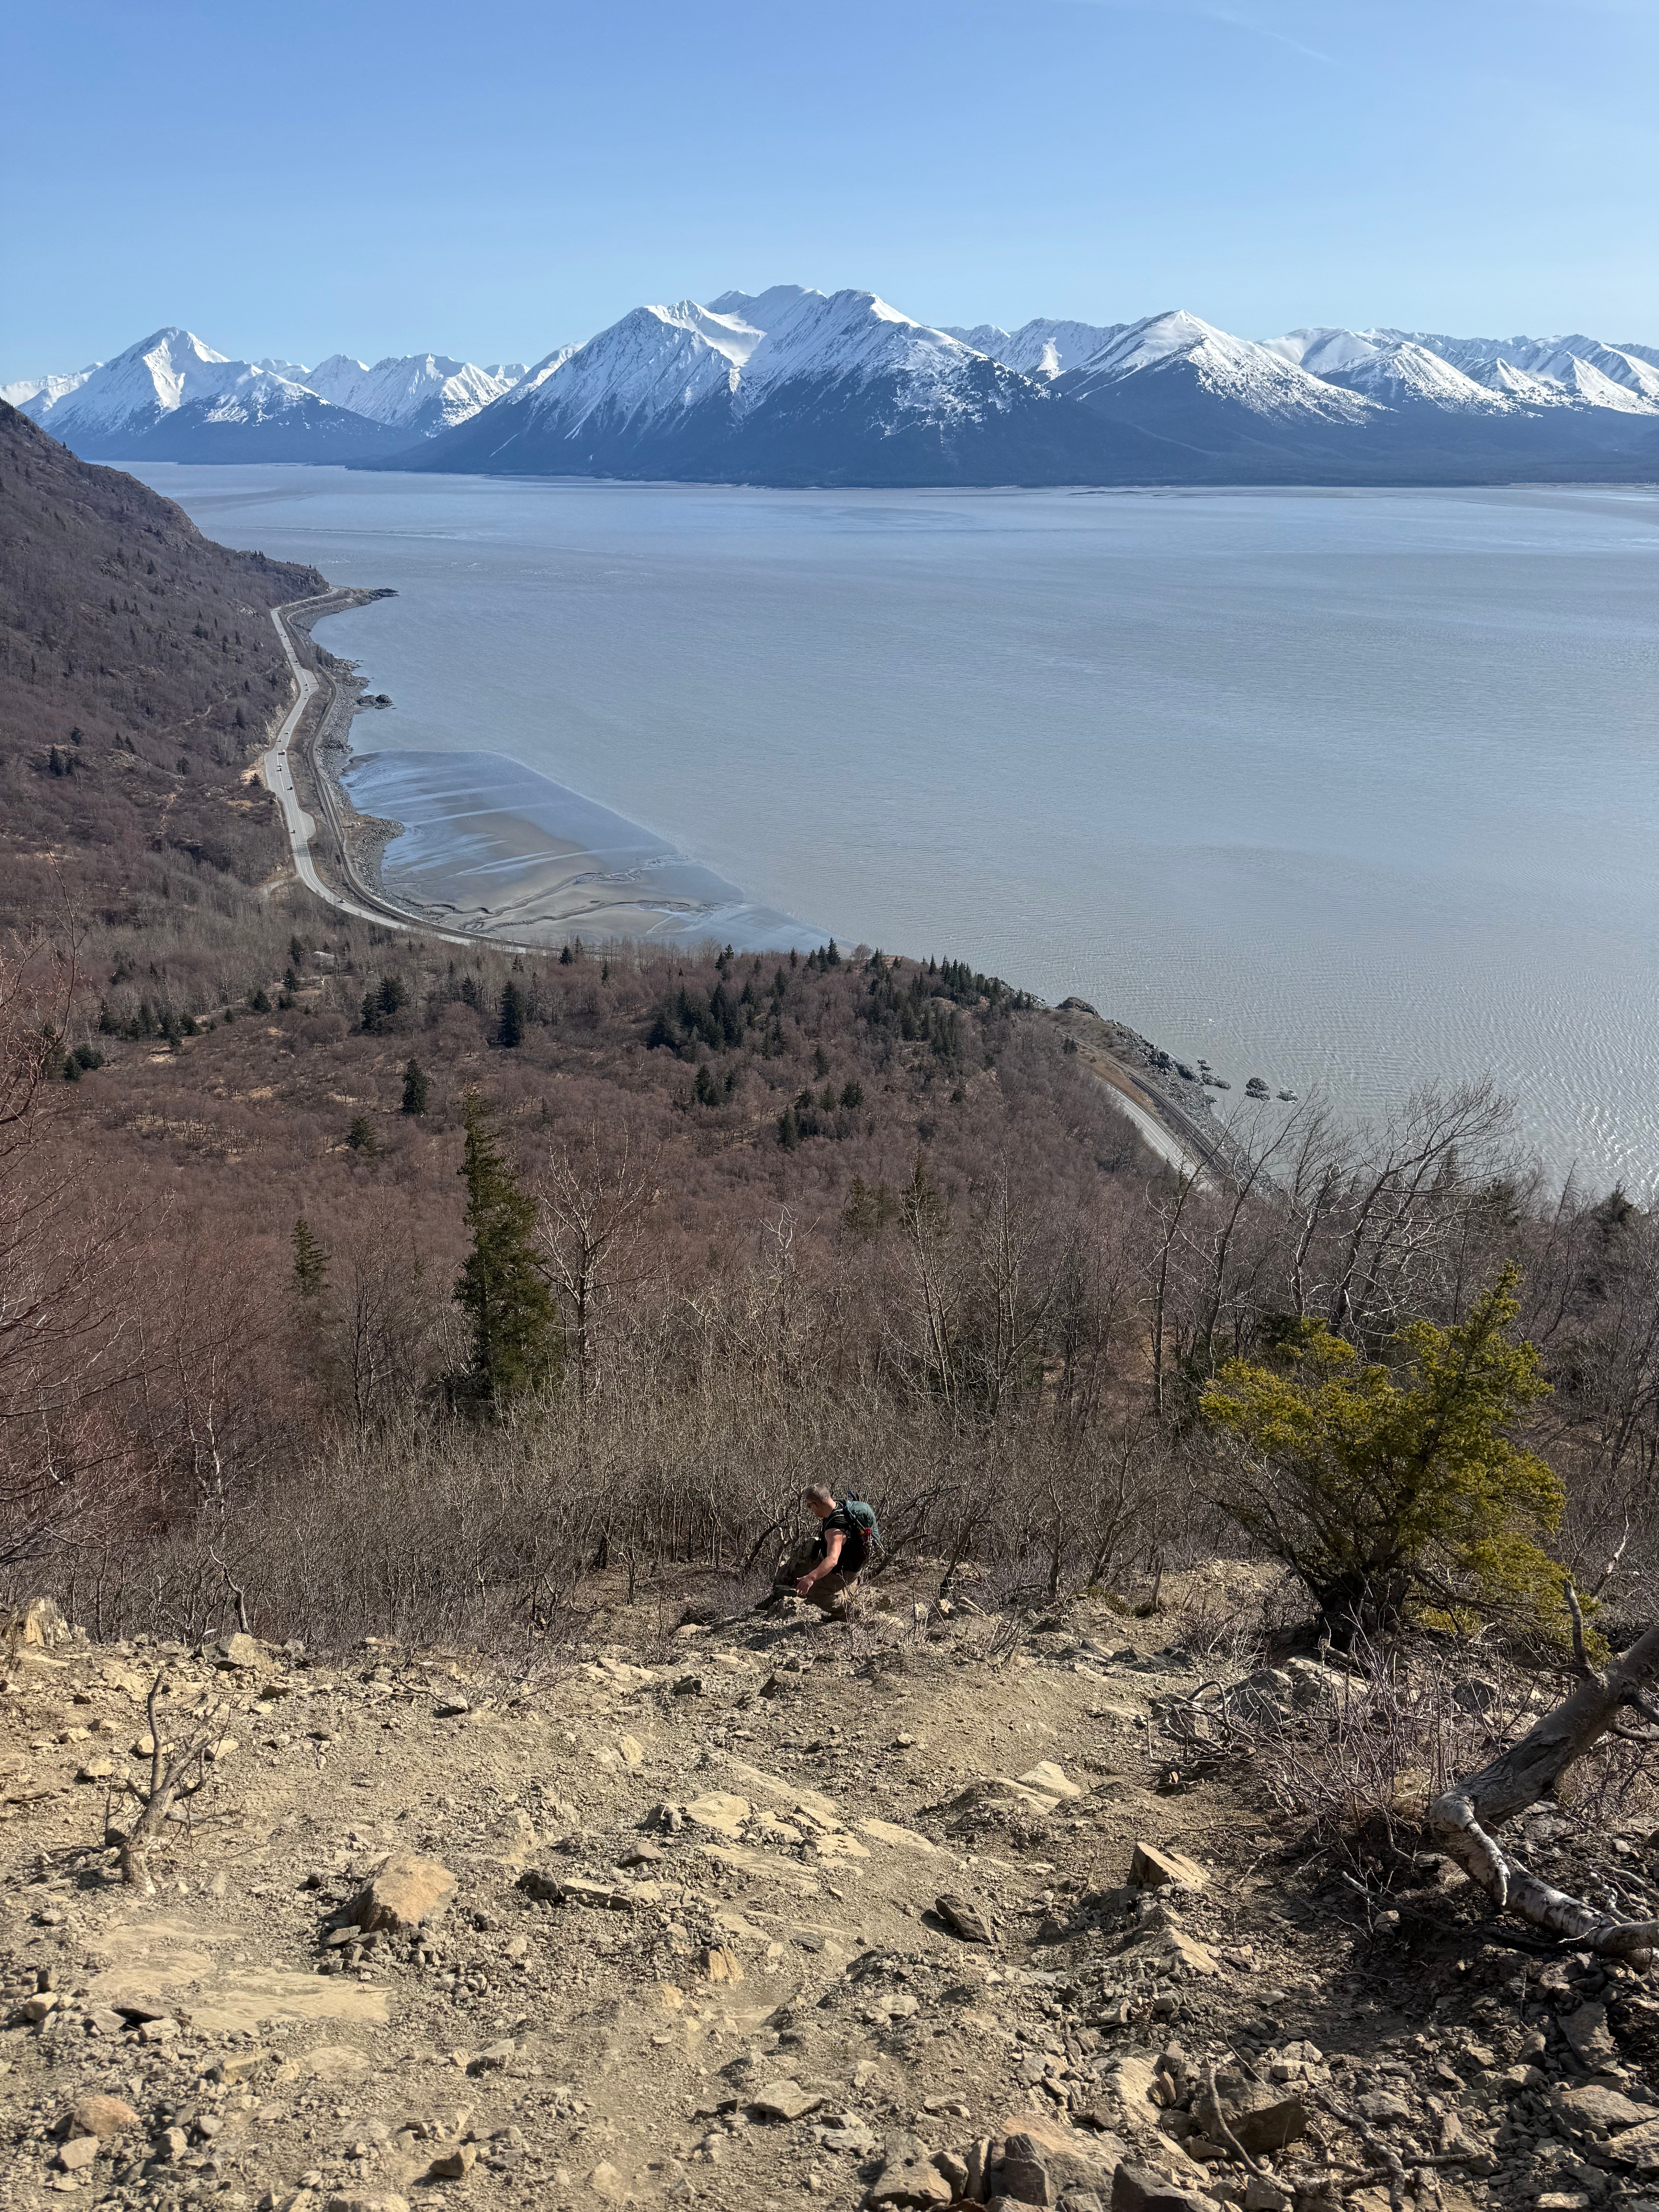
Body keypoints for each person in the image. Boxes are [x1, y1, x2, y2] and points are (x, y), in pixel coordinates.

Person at [766, 1484, 867, 1615]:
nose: (810, 1509)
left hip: (847, 1570)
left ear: (816, 1504)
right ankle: (843, 1596)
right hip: (853, 1559)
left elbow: (832, 1560)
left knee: (813, 1591)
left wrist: (811, 1579)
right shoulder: (841, 1506)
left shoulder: (834, 1530)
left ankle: (849, 1612)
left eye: (809, 1506)